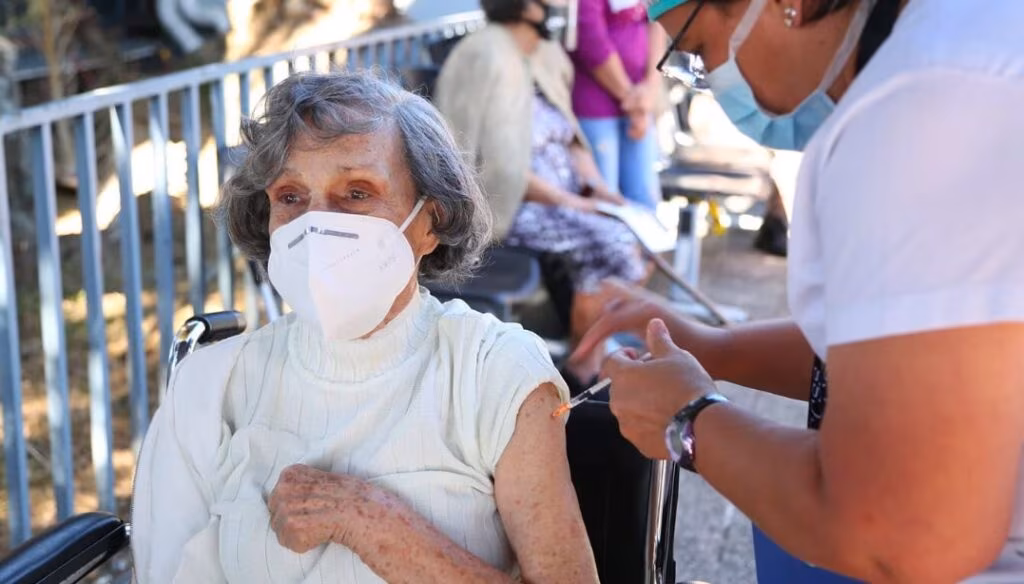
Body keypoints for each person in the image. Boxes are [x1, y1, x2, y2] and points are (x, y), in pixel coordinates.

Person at [574, 0, 1024, 582]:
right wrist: (715, 349)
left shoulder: (916, 114)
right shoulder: (966, 49)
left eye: (699, 50)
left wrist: (687, 422)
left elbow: (896, 530)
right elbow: (911, 354)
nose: (710, 81)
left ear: (789, 5)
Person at [131, 71, 599, 584]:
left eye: (357, 193)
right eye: (290, 196)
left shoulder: (494, 372)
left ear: (430, 223)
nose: (316, 224)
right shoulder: (210, 388)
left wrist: (375, 524)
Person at [434, 0, 648, 383]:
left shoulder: (544, 56)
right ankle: (582, 365)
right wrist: (573, 203)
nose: (560, 6)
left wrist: (598, 189)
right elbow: (499, 167)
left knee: (638, 230)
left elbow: (572, 139)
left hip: (564, 200)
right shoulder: (484, 54)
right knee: (613, 242)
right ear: (525, 8)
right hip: (512, 207)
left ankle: (591, 350)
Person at [570, 0, 665, 210]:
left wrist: (650, 86)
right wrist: (634, 103)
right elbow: (592, 42)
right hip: (595, 106)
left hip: (641, 98)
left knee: (644, 197)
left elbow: (657, 19)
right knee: (605, 199)